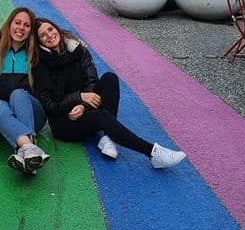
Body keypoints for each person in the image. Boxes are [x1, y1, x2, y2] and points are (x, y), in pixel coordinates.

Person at [31, 18, 187, 169]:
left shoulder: (77, 49)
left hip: (83, 106)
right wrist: (78, 98)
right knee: (102, 116)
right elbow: (48, 104)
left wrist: (83, 103)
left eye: (50, 29)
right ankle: (153, 153)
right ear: (39, 42)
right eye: (42, 35)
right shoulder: (41, 65)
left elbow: (91, 80)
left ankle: (108, 137)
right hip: (64, 121)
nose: (49, 35)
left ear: (56, 28)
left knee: (109, 78)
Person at [0, 7, 49, 175]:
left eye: (27, 25)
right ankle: (29, 149)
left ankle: (28, 148)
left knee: (18, 93)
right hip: (0, 117)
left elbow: (56, 41)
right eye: (18, 22)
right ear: (9, 24)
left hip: (32, 113)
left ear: (31, 31)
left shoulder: (36, 53)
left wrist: (74, 43)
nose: (21, 28)